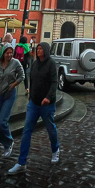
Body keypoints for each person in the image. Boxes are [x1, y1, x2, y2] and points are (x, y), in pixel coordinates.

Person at [8, 42, 60, 174]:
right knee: (26, 131)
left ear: (46, 50)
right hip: (34, 103)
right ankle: (21, 162)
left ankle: (55, 150)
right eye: (38, 49)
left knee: (50, 129)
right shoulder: (35, 64)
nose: (38, 50)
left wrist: (48, 97)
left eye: (41, 49)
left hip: (47, 104)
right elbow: (32, 80)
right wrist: (31, 96)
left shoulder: (51, 64)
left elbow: (54, 83)